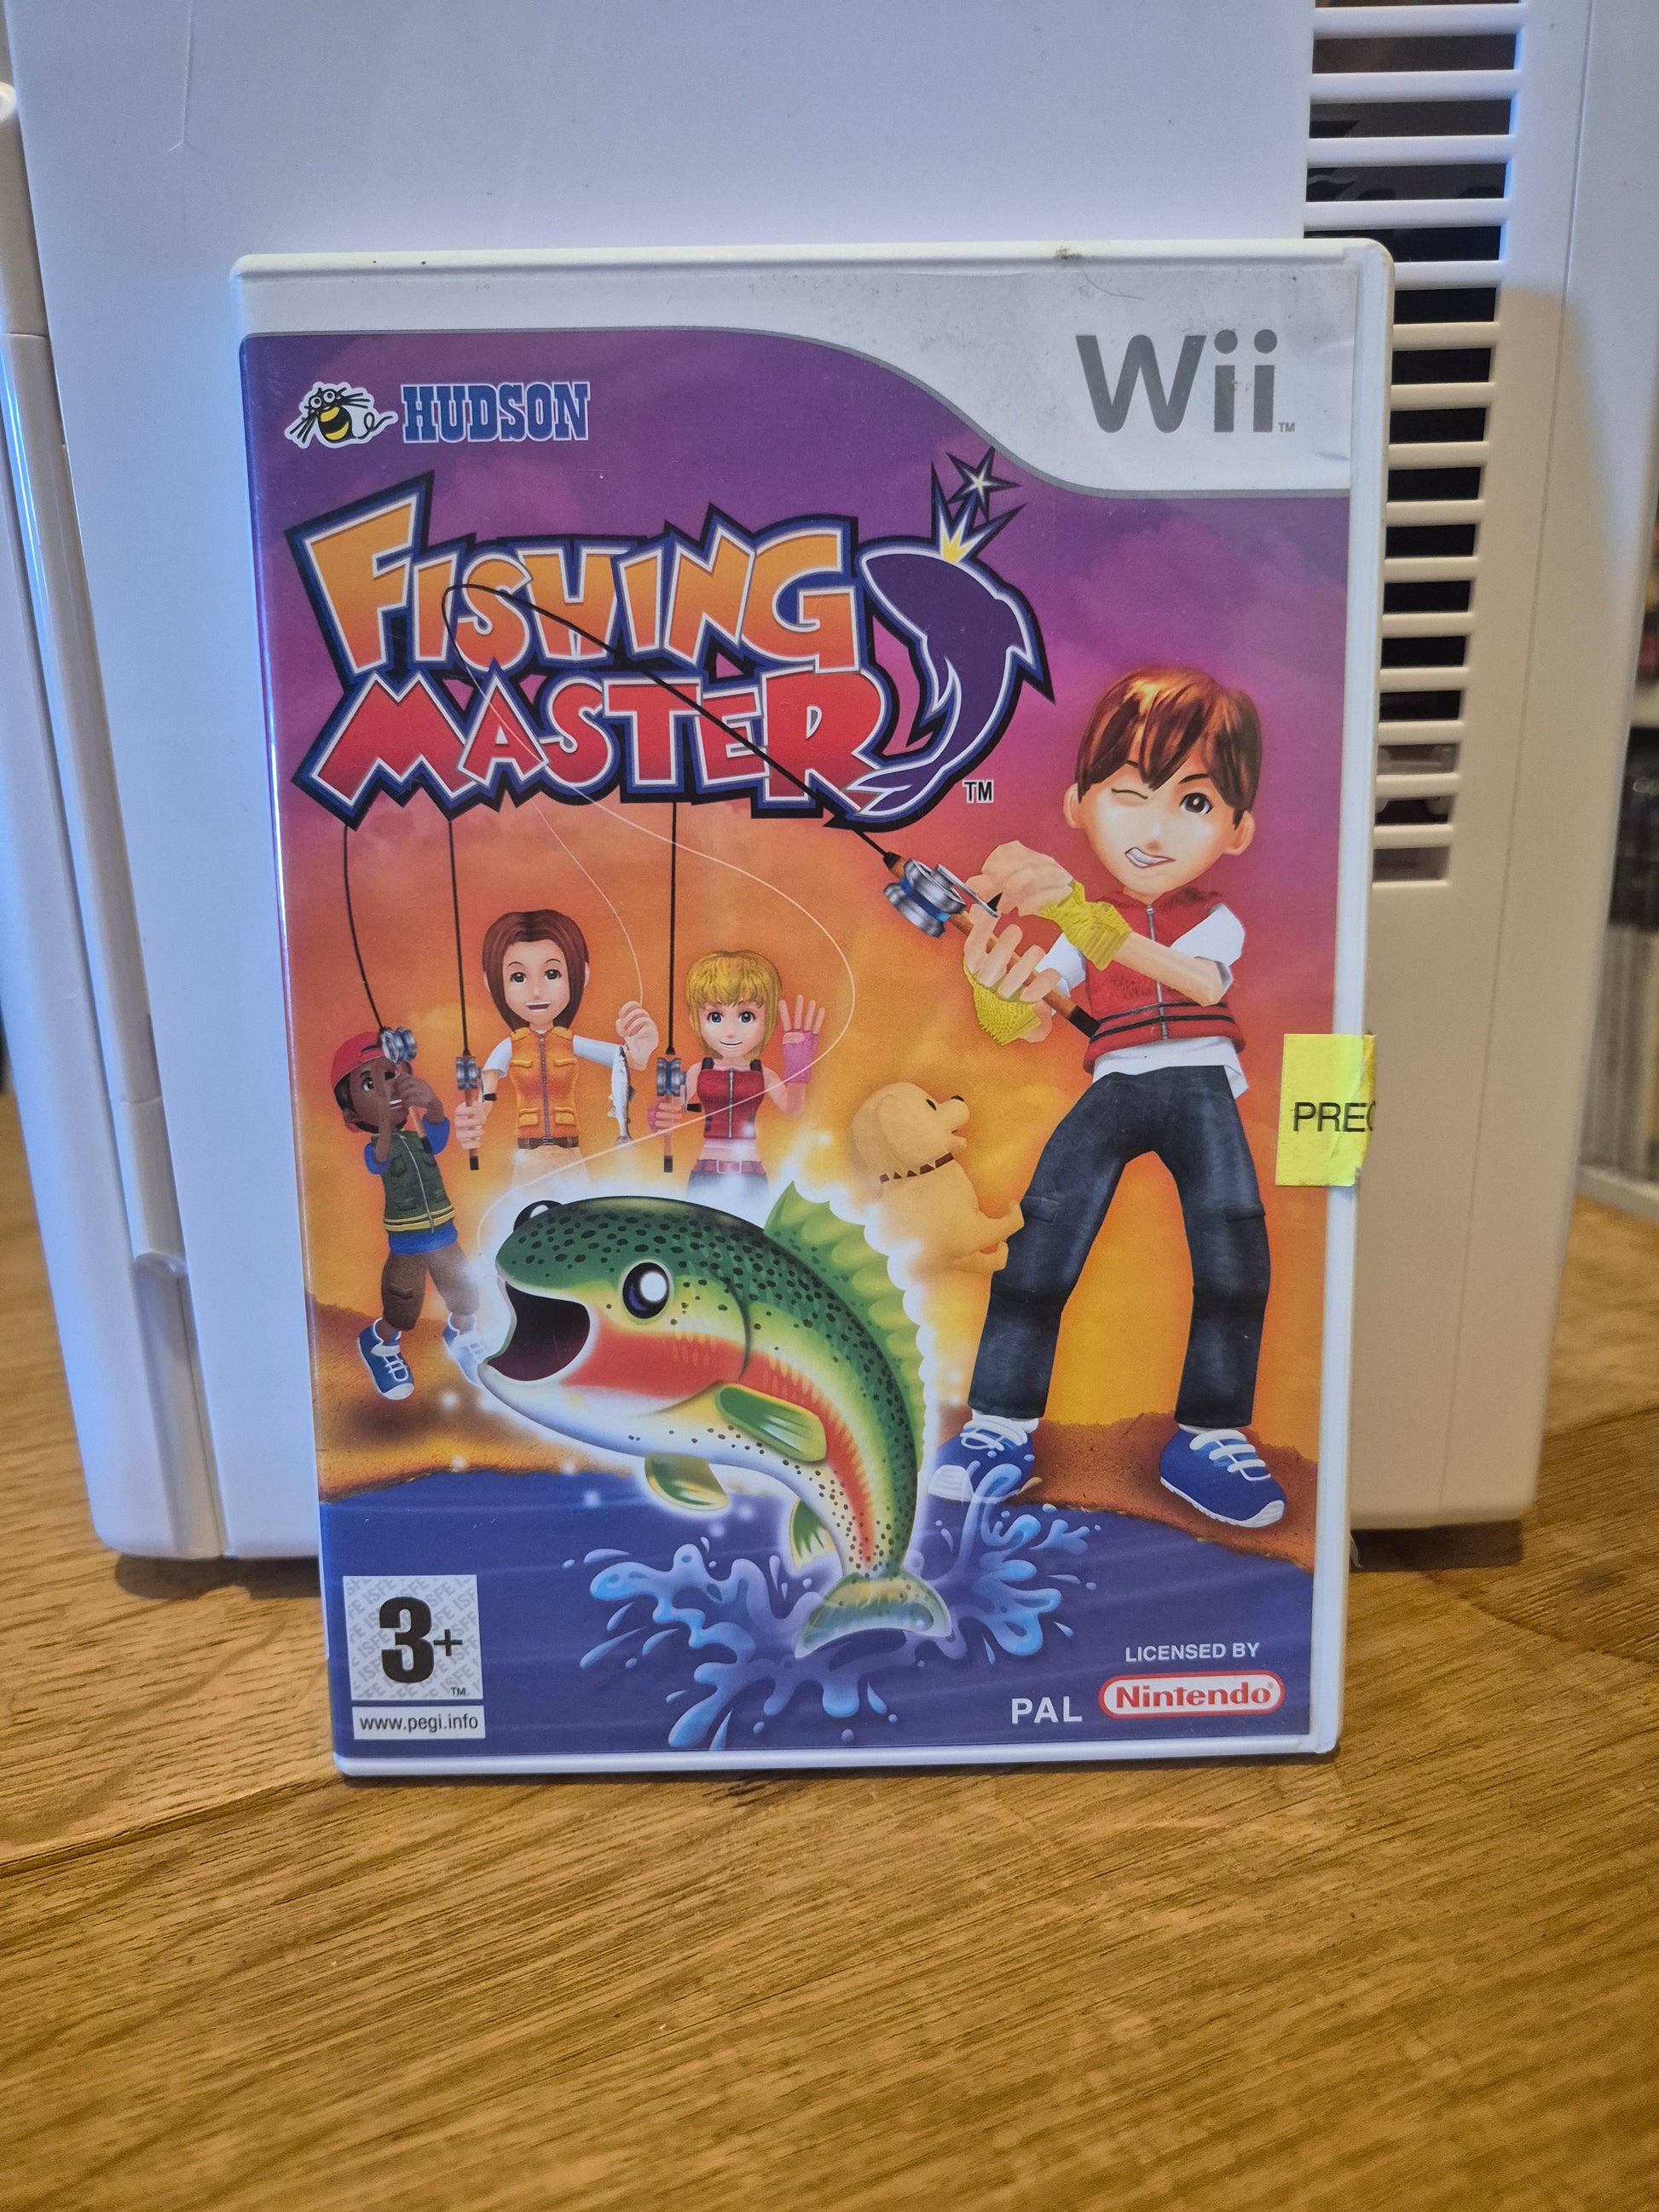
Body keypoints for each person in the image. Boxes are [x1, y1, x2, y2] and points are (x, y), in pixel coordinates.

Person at [930, 667, 1282, 1528]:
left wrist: (1082, 915)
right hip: (1117, 1083)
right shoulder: (1081, 925)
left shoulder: (1209, 919)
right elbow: (1025, 1023)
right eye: (1128, 795)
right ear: (1077, 804)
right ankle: (998, 1427)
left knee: (1234, 1256)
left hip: (1200, 1082)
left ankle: (1210, 1435)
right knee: (1038, 1242)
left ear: (1238, 829)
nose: (1154, 830)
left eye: (1193, 803)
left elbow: (1201, 981)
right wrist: (989, 972)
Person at [331, 1033, 484, 1401]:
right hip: (407, 1242)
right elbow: (380, 1159)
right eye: (371, 1084)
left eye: (392, 1075)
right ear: (351, 1114)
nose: (388, 1087)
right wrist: (385, 1116)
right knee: (403, 1305)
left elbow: (439, 1137)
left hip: (444, 1232)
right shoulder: (375, 1147)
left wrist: (431, 1103)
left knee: (465, 1292)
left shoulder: (419, 1138)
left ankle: (462, 1336)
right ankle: (380, 1343)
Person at [451, 907, 658, 1178]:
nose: (536, 991)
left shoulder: (569, 1042)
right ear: (493, 983)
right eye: (518, 977)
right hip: (527, 1156)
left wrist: (640, 1049)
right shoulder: (508, 1047)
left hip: (570, 1154)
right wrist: (477, 1112)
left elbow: (626, 1060)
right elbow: (487, 1094)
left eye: (552, 974)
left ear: (580, 975)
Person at [649, 950, 823, 1221]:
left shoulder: (762, 1073)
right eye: (715, 1017)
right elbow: (670, 1108)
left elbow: (792, 1108)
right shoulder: (699, 1071)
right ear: (697, 1018)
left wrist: (798, 1070)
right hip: (706, 1173)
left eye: (746, 1016)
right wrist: (658, 1115)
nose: (730, 1032)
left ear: (767, 1019)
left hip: (750, 1176)